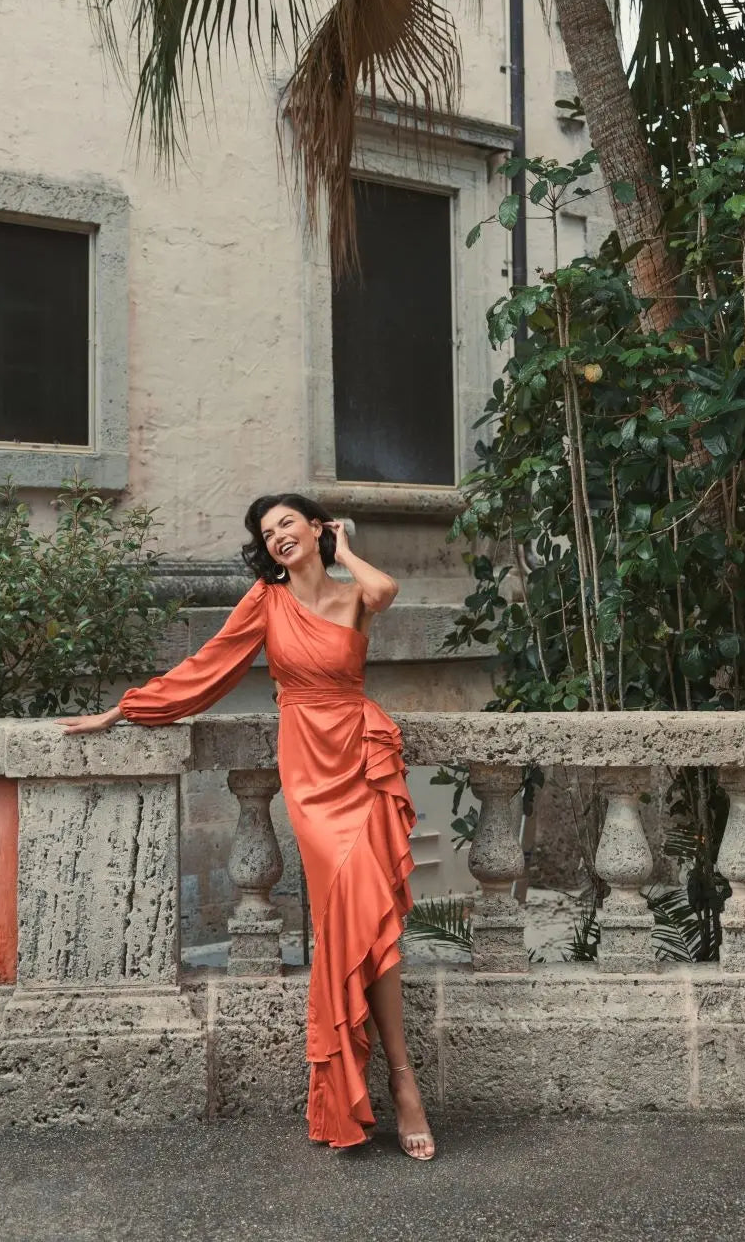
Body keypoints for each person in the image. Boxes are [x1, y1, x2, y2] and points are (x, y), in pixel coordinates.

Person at [61, 493, 435, 1160]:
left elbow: (385, 590)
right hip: (312, 775)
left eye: (288, 522)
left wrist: (345, 549)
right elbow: (207, 667)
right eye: (267, 533)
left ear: (316, 527)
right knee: (350, 913)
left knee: (374, 923)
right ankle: (366, 1085)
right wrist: (124, 709)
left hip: (359, 756)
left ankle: (403, 1083)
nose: (277, 536)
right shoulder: (266, 601)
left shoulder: (353, 594)